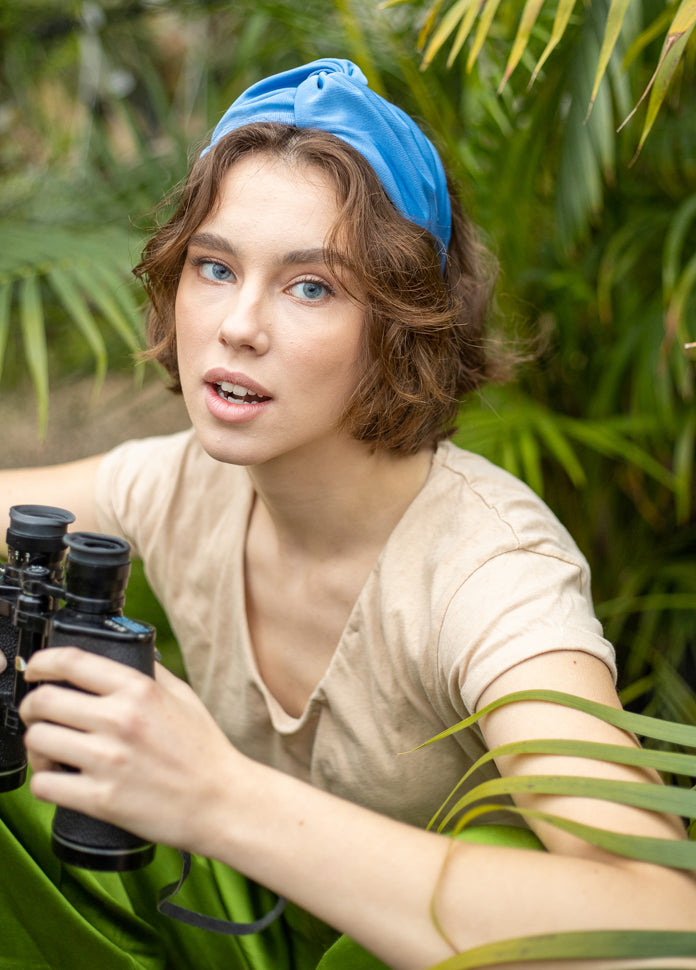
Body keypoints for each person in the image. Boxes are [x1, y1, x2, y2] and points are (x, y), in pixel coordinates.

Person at [0, 58, 694, 970]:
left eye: (310, 286)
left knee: (509, 851)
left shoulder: (491, 575)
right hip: (237, 929)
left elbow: (661, 928)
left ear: (405, 322)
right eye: (214, 266)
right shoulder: (183, 486)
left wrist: (218, 797)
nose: (238, 324)